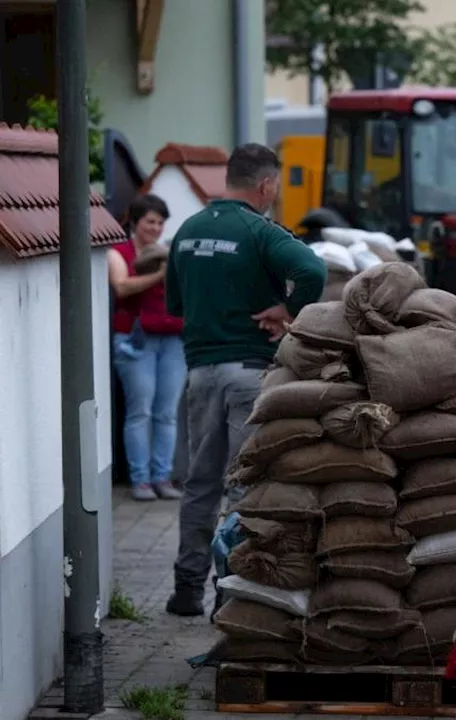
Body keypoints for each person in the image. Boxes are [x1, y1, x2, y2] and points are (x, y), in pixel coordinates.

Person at [163, 143, 328, 617]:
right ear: (266, 185)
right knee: (242, 487)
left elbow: (176, 306)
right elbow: (312, 269)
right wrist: (289, 311)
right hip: (249, 374)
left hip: (199, 373)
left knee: (199, 484)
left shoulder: (188, 231)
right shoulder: (259, 230)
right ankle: (230, 593)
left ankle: (185, 589)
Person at [108, 193, 185, 502]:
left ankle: (162, 477)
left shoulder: (167, 253)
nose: (155, 228)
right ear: (135, 222)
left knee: (166, 413)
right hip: (134, 341)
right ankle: (139, 479)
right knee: (140, 410)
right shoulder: (119, 252)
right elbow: (122, 286)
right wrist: (160, 275)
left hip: (173, 340)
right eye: (149, 222)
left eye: (160, 222)